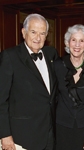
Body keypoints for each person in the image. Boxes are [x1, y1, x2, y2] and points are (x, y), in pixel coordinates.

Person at [0, 13, 58, 150]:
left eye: (42, 33)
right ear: (23, 32)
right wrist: (5, 136)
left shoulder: (51, 54)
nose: (38, 38)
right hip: (22, 137)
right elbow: (1, 100)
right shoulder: (10, 57)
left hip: (50, 135)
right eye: (33, 32)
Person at [54, 24, 84, 150]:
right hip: (61, 128)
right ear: (67, 42)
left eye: (81, 41)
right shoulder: (57, 65)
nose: (77, 45)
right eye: (73, 40)